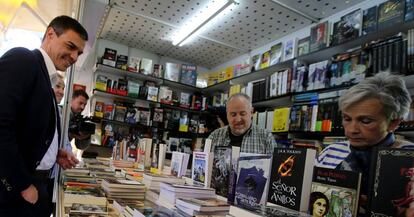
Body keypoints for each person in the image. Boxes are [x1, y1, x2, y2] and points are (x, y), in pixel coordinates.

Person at [0, 15, 88, 217]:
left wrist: (52, 153)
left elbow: (26, 128)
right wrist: (22, 184)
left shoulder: (45, 78)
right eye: (71, 46)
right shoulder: (23, 59)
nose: (75, 57)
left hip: (37, 184)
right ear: (50, 34)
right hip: (15, 193)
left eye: (79, 53)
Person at [315, 72, 414, 214]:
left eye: (366, 121)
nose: (352, 130)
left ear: (393, 123)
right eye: (347, 119)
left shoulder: (410, 158)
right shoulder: (330, 152)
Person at [208, 93, 276, 154]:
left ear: (251, 112)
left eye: (242, 114)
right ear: (227, 115)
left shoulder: (266, 138)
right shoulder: (214, 137)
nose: (238, 119)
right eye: (233, 114)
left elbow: (277, 167)